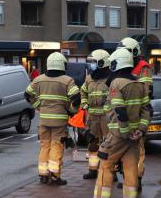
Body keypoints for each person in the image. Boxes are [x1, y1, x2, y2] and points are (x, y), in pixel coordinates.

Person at [93, 48, 151, 198]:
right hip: (134, 137)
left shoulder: (116, 83)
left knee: (105, 165)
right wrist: (141, 130)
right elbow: (147, 110)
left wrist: (124, 132)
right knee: (131, 169)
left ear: (116, 64)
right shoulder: (139, 83)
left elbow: (119, 110)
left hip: (118, 135)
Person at [25, 52, 80, 186]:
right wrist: (71, 111)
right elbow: (76, 98)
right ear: (62, 65)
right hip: (59, 121)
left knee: (45, 146)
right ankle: (55, 176)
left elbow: (27, 95)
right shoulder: (68, 80)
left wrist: (39, 106)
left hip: (44, 120)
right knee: (56, 146)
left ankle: (43, 175)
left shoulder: (38, 79)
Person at [116, 37, 154, 191]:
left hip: (138, 116)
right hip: (128, 115)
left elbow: (145, 93)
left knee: (138, 149)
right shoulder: (128, 66)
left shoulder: (143, 69)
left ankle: (136, 179)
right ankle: (128, 177)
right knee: (127, 150)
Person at [81, 49, 111, 180]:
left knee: (108, 144)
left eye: (94, 62)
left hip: (107, 118)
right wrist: (84, 104)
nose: (92, 64)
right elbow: (83, 92)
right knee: (92, 143)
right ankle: (93, 170)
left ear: (102, 63)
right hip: (92, 117)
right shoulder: (89, 79)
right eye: (91, 62)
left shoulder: (110, 79)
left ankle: (110, 171)